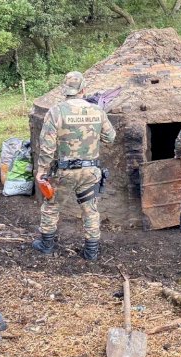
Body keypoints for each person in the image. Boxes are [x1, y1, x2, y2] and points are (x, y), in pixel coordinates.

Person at [33, 71, 116, 261]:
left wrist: (42, 171)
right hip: (91, 171)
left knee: (51, 206)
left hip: (65, 172)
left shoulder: (56, 111)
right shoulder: (97, 111)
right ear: (83, 89)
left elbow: (46, 146)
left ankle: (46, 245)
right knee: (90, 210)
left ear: (65, 90)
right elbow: (110, 137)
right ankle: (91, 252)